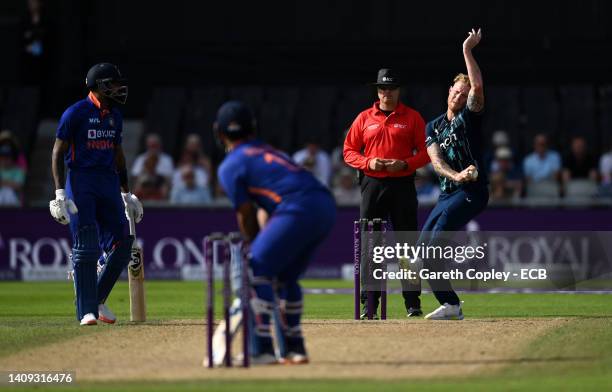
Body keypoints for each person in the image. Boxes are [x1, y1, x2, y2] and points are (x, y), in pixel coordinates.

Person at [215, 100, 336, 364]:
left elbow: (245, 213)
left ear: (219, 132)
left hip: (297, 208)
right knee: (285, 278)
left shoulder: (230, 164)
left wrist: (251, 244)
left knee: (254, 269)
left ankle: (262, 350)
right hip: (324, 203)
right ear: (253, 128)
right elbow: (269, 204)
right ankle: (294, 348)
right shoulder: (270, 151)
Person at [49, 63, 143, 326]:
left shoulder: (115, 116)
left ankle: (96, 298)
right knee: (87, 243)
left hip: (108, 181)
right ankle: (86, 312)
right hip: (81, 181)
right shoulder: (75, 113)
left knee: (123, 245)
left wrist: (127, 194)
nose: (118, 88)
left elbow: (118, 156)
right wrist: (58, 193)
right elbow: (58, 152)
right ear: (100, 86)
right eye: (113, 83)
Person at [412, 28, 489, 320]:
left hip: (473, 191)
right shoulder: (432, 126)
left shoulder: (469, 116)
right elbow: (435, 160)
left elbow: (478, 87)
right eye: (456, 91)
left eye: (463, 94)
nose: (459, 96)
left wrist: (467, 51)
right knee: (422, 253)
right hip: (449, 190)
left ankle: (451, 304)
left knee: (432, 248)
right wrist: (455, 176)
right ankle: (451, 305)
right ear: (448, 91)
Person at [343, 68, 430, 318]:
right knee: (371, 245)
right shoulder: (364, 118)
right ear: (377, 91)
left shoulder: (412, 117)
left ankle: (412, 302)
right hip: (372, 184)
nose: (387, 93)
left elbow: (426, 152)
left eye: (391, 88)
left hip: (403, 184)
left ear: (398, 91)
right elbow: (349, 151)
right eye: (383, 88)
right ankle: (369, 301)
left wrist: (406, 164)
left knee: (407, 245)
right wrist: (367, 162)